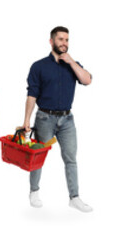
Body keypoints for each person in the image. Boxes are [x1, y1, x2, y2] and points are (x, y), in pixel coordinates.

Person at [21, 26, 94, 213]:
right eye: (60, 39)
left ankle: (74, 197)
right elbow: (32, 94)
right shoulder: (38, 66)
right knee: (38, 156)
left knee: (71, 158)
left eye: (67, 40)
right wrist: (26, 120)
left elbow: (87, 80)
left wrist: (71, 62)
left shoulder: (73, 64)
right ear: (51, 41)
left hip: (67, 120)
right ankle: (34, 191)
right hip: (44, 118)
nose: (64, 43)